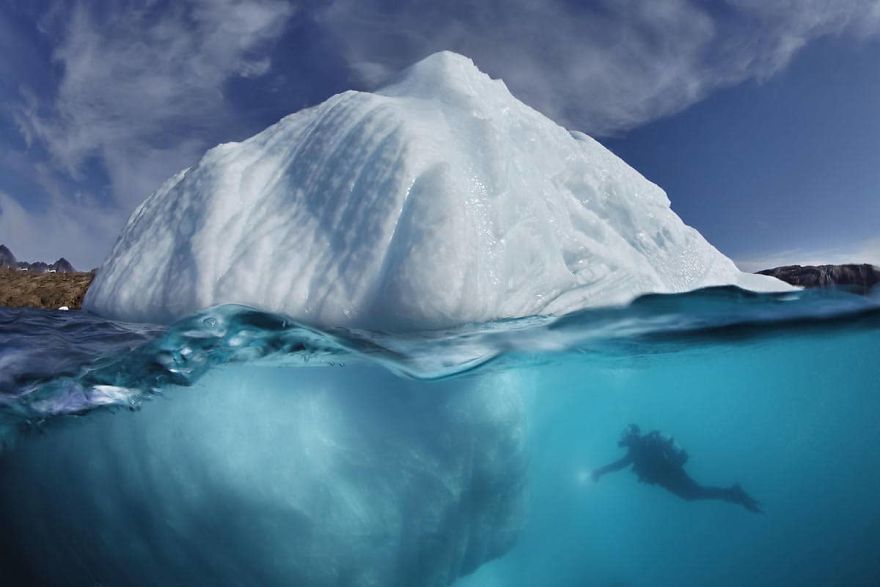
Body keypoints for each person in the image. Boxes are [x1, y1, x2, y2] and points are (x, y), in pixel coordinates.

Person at [591, 424, 762, 513]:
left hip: (672, 476)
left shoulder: (645, 446)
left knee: (695, 493)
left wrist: (599, 472)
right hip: (668, 478)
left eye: (626, 436)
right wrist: (600, 471)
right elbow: (618, 465)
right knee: (693, 495)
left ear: (633, 436)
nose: (625, 440)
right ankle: (732, 494)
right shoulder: (637, 450)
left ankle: (733, 493)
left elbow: (618, 465)